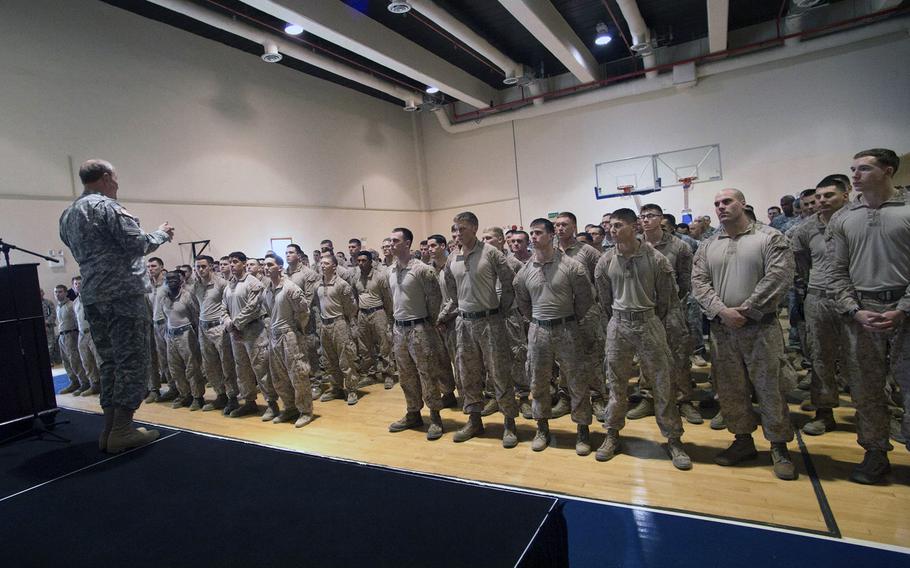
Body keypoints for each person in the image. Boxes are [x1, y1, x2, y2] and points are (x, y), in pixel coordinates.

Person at [59, 159, 172, 453]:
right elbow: (137, 244)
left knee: (109, 362)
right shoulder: (107, 207)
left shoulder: (68, 214)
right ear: (107, 177)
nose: (117, 184)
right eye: (116, 178)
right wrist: (161, 234)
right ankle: (122, 430)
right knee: (132, 360)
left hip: (94, 295)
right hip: (123, 295)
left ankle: (109, 430)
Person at [692, 188, 798, 480]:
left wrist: (747, 310)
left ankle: (779, 447)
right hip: (722, 330)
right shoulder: (707, 245)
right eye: (716, 204)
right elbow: (699, 283)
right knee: (730, 389)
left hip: (759, 328)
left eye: (727, 202)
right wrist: (723, 311)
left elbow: (779, 277)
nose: (721, 207)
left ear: (743, 204)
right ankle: (742, 441)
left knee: (770, 388)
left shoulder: (770, 238)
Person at [827, 148, 909, 484]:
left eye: (864, 169)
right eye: (853, 169)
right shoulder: (844, 217)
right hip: (862, 311)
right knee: (866, 388)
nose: (855, 175)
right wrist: (854, 309)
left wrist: (903, 308)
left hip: (905, 309)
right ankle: (875, 452)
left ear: (888, 170)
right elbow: (836, 270)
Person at [594, 209, 692, 470]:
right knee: (615, 384)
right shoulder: (605, 261)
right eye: (610, 226)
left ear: (634, 226)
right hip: (618, 324)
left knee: (663, 382)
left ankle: (673, 438)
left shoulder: (656, 259)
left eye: (618, 225)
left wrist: (648, 317)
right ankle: (612, 434)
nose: (612, 230)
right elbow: (604, 299)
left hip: (649, 322)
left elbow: (666, 299)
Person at [514, 218, 595, 455]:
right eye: (532, 233)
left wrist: (567, 319)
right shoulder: (524, 272)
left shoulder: (572, 267)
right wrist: (538, 321)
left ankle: (582, 429)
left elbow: (584, 299)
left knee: (577, 381)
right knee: (538, 381)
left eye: (538, 232)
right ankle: (542, 427)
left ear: (551, 235)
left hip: (567, 328)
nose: (534, 237)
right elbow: (523, 304)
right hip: (538, 330)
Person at [438, 211, 519, 447]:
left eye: (461, 229)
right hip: (464, 323)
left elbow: (509, 282)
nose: (457, 233)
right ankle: (474, 420)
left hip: (490, 321)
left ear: (474, 228)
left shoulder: (491, 253)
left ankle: (509, 422)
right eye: (454, 229)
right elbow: (451, 290)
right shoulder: (453, 258)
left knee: (499, 372)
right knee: (467, 373)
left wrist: (499, 310)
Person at [791, 178, 854, 436]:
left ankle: (876, 411)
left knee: (862, 358)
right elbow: (801, 263)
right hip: (819, 297)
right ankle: (824, 413)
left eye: (829, 195)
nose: (821, 201)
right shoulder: (806, 229)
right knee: (820, 357)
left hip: (855, 299)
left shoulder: (856, 222)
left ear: (846, 195)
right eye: (818, 197)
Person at [631, 204, 702, 424]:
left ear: (661, 218)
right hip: (644, 310)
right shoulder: (634, 246)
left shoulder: (679, 246)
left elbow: (685, 279)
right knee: (645, 356)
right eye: (642, 217)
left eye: (650, 216)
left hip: (671, 310)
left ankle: (683, 400)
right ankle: (648, 397)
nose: (645, 220)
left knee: (678, 355)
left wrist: (670, 301)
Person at [387, 228, 450, 440]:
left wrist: (429, 324)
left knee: (427, 373)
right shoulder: (390, 270)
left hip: (420, 328)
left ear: (407, 243)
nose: (391, 243)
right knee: (405, 374)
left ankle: (435, 416)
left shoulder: (423, 270)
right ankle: (413, 412)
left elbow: (435, 300)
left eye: (396, 240)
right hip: (399, 329)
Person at [554, 212, 606, 421]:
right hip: (562, 315)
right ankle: (566, 397)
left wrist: (599, 304)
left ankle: (597, 398)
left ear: (574, 226)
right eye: (556, 225)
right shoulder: (550, 252)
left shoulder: (587, 251)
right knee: (564, 359)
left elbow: (603, 277)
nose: (560, 229)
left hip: (587, 314)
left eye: (564, 225)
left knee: (592, 357)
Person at [481, 226, 530, 418]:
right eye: (483, 238)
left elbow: (523, 292)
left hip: (510, 315)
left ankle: (524, 397)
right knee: (490, 358)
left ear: (502, 240)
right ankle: (494, 395)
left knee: (518, 355)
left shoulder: (514, 263)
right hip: (489, 317)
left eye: (490, 238)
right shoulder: (481, 263)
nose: (485, 242)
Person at [222, 251, 276, 419]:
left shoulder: (253, 283)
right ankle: (249, 402)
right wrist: (226, 322)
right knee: (242, 368)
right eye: (230, 262)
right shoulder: (229, 286)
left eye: (235, 262)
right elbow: (223, 307)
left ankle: (272, 403)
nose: (232, 265)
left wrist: (235, 324)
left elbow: (252, 307)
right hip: (235, 333)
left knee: (261, 367)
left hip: (253, 331)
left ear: (244, 264)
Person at [262, 255, 314, 428]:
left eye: (270, 264)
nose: (266, 267)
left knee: (297, 373)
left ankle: (305, 411)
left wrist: (296, 331)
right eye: (265, 265)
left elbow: (303, 312)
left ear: (280, 267)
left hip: (290, 335)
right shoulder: (267, 289)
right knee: (279, 375)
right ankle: (289, 407)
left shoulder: (290, 288)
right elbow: (269, 312)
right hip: (274, 335)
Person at [191, 255, 238, 413]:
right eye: (198, 267)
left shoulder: (221, 283)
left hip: (218, 327)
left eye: (204, 266)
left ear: (211, 266)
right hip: (203, 327)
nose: (201, 269)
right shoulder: (195, 285)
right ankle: (220, 395)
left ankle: (232, 397)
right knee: (210, 364)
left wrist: (227, 324)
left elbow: (229, 305)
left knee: (226, 363)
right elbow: (196, 306)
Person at [316, 252, 360, 405]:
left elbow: (351, 307)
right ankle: (336, 388)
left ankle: (352, 389)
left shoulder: (342, 284)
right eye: (321, 263)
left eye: (326, 263)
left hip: (339, 323)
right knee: (329, 359)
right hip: (324, 324)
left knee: (345, 358)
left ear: (334, 267)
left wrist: (346, 321)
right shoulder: (319, 284)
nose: (322, 266)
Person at [161, 269, 205, 410]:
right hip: (170, 335)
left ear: (181, 280)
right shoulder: (165, 297)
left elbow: (195, 315)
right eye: (168, 279)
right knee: (175, 368)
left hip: (186, 334)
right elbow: (165, 315)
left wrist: (197, 334)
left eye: (174, 279)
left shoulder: (187, 296)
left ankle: (197, 397)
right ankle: (185, 394)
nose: (171, 281)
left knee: (192, 367)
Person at [285, 244, 323, 397]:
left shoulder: (308, 274)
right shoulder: (284, 274)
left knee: (310, 349)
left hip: (306, 318)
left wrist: (298, 316)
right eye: (286, 253)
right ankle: (302, 382)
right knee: (296, 352)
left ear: (299, 255)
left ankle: (316, 382)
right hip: (289, 319)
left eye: (291, 252)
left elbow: (308, 298)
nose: (288, 255)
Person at [353, 251, 395, 388]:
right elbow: (355, 296)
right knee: (364, 346)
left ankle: (388, 374)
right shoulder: (356, 277)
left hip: (378, 312)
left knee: (384, 344)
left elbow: (387, 298)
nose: (360, 263)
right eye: (358, 261)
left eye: (364, 260)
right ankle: (370, 374)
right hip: (362, 314)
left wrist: (388, 317)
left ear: (371, 262)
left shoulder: (380, 277)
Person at [147, 256, 175, 402]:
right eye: (149, 267)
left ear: (162, 267)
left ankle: (177, 388)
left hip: (166, 323)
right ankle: (158, 388)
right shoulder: (148, 286)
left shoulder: (168, 284)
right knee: (157, 358)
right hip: (152, 324)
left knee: (170, 358)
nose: (151, 269)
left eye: (154, 266)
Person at [54, 284, 87, 395]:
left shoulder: (71, 305)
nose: (58, 294)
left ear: (66, 293)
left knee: (75, 360)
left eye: (60, 292)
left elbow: (77, 320)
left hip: (71, 334)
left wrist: (77, 335)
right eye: (56, 292)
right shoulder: (59, 306)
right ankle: (74, 382)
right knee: (66, 361)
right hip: (62, 335)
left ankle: (84, 382)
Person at [72, 276, 101, 396]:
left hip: (93, 332)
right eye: (76, 284)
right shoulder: (75, 302)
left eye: (80, 283)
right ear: (73, 287)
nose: (78, 285)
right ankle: (94, 384)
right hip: (81, 333)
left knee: (99, 360)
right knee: (86, 361)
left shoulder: (92, 298)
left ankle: (107, 385)